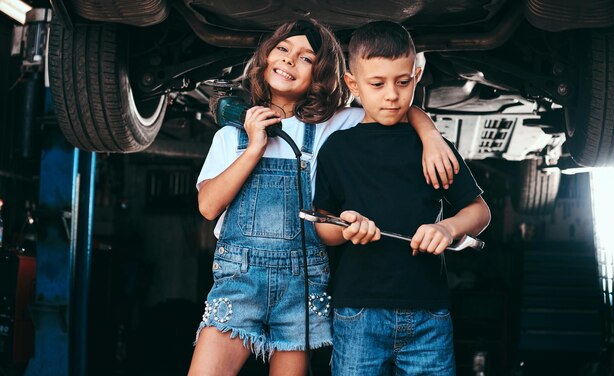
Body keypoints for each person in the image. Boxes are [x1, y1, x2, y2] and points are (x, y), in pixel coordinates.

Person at [188, 19, 459, 376]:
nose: (289, 61)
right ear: (266, 56)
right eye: (283, 49)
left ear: (321, 74)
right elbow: (208, 206)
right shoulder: (230, 137)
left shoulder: (331, 125)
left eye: (305, 58)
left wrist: (431, 134)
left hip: (301, 289)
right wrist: (254, 147)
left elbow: (390, 101)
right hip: (239, 283)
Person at [313, 21, 492, 376]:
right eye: (377, 84)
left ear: (417, 74)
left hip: (429, 313)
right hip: (358, 313)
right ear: (353, 84)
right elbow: (322, 224)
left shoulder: (434, 150)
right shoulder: (337, 148)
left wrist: (447, 228)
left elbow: (480, 211)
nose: (391, 95)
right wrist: (345, 228)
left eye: (403, 81)